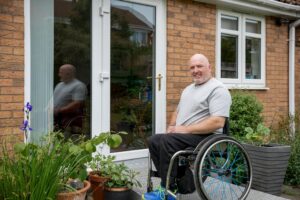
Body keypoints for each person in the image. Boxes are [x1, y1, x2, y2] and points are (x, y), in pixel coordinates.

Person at [142, 53, 231, 200]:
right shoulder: (188, 89)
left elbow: (217, 122)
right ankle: (176, 181)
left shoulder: (218, 89)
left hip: (207, 137)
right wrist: (171, 126)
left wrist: (183, 129)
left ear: (209, 67)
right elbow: (177, 112)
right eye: (192, 67)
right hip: (186, 135)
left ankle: (168, 190)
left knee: (166, 141)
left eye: (199, 66)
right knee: (154, 140)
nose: (195, 70)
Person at [53, 64, 87, 136]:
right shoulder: (59, 85)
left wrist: (59, 111)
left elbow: (77, 103)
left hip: (68, 119)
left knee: (64, 139)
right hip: (55, 117)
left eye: (61, 73)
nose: (59, 75)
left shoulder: (79, 86)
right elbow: (54, 98)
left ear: (68, 73)